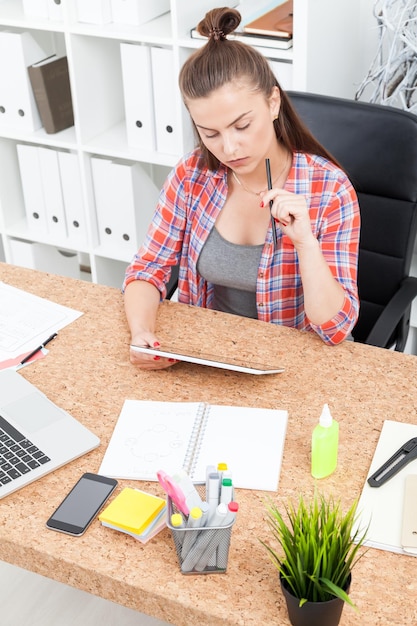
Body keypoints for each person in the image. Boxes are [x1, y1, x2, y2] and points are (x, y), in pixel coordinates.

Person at [124, 7, 360, 370]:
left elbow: (335, 328)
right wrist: (142, 334)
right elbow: (147, 269)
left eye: (242, 125)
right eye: (211, 134)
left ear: (273, 103)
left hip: (293, 367)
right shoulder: (192, 175)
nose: (229, 149)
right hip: (208, 359)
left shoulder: (330, 189)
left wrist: (305, 244)